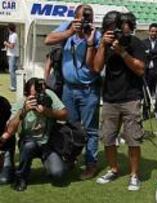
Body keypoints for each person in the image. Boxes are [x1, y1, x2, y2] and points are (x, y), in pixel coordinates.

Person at [44, 4, 102, 180]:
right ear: (75, 18)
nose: (86, 21)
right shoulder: (67, 27)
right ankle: (71, 159)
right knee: (71, 126)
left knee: (91, 130)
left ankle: (91, 164)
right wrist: (70, 33)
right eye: (82, 18)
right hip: (69, 89)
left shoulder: (96, 35)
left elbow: (96, 66)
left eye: (89, 18)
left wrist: (90, 41)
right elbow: (48, 40)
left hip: (88, 89)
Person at [92, 11, 145, 191]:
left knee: (133, 140)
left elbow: (140, 70)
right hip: (109, 98)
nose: (121, 33)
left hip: (131, 97)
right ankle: (113, 169)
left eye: (124, 30)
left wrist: (122, 52)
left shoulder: (135, 43)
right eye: (117, 30)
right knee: (107, 138)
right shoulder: (105, 44)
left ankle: (134, 175)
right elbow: (97, 67)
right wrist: (101, 45)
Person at [3, 78, 68, 191]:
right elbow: (10, 130)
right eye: (34, 96)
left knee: (59, 174)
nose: (38, 98)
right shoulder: (21, 102)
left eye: (39, 94)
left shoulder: (48, 96)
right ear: (27, 95)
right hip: (28, 142)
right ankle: (21, 176)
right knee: (30, 145)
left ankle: (50, 165)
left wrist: (48, 112)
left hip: (47, 144)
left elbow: (65, 114)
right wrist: (24, 111)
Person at [0, 96, 16, 185]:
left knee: (4, 180)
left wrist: (3, 138)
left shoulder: (3, 102)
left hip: (4, 144)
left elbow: (11, 126)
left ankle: (8, 164)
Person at [3, 23, 19, 92]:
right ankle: (14, 85)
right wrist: (5, 47)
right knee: (13, 71)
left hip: (13, 55)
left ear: (9, 28)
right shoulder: (11, 35)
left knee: (12, 71)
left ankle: (14, 86)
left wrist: (5, 43)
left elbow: (12, 46)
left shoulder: (14, 35)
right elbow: (10, 45)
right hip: (11, 54)